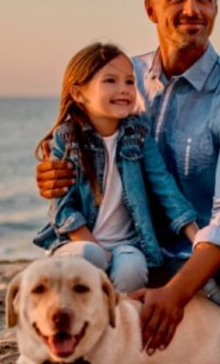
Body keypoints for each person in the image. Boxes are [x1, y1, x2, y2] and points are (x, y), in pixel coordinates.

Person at [35, 0, 220, 355]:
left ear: (216, 7)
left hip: (196, 250)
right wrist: (51, 170)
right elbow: (78, 135)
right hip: (127, 242)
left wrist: (177, 294)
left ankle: (188, 309)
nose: (192, 9)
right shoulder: (123, 79)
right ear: (151, 10)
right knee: (94, 263)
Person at [33, 43, 199, 293]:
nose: (123, 90)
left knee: (132, 268)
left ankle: (115, 321)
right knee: (90, 257)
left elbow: (165, 187)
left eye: (130, 81)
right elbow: (62, 209)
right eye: (110, 81)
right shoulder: (65, 139)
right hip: (78, 242)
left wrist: (196, 238)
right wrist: (99, 250)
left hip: (128, 245)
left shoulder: (140, 136)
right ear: (79, 93)